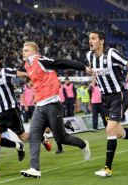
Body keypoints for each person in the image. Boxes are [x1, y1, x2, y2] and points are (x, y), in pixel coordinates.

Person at [20, 41, 91, 178]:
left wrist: (83, 67)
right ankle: (34, 169)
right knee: (34, 136)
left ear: (35, 53)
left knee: (61, 138)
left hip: (53, 105)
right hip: (39, 107)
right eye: (23, 50)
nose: (23, 52)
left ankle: (83, 144)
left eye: (26, 50)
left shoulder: (40, 60)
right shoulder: (27, 65)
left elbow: (62, 62)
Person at [86, 31, 128, 177]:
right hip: (105, 98)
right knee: (119, 133)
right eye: (89, 38)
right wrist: (92, 74)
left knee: (110, 130)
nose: (90, 41)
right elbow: (93, 69)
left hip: (118, 95)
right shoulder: (89, 56)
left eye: (93, 38)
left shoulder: (112, 54)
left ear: (102, 41)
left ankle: (107, 168)